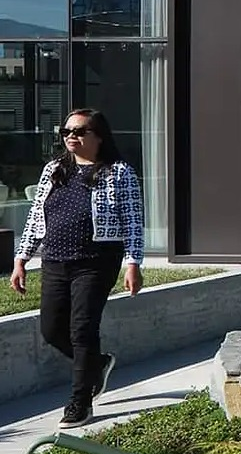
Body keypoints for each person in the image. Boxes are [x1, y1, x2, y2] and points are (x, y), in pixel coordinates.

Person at [9, 109, 145, 429]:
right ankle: (97, 364)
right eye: (67, 131)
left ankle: (80, 403)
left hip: (96, 261)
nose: (71, 136)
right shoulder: (54, 169)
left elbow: (133, 221)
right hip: (55, 260)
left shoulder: (118, 172)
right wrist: (21, 259)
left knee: (82, 329)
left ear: (99, 136)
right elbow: (36, 216)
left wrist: (133, 263)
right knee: (51, 329)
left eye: (80, 131)